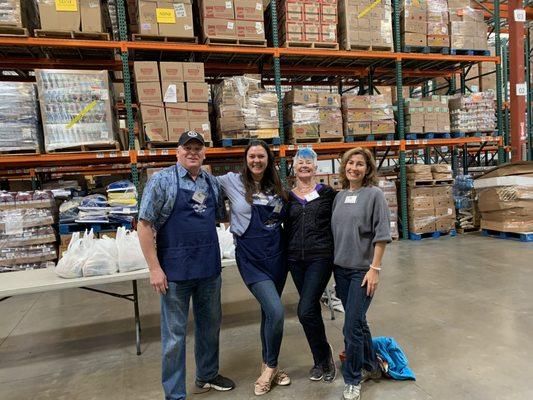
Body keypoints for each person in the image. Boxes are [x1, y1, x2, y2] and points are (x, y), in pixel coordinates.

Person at [137, 131, 235, 400]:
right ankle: (175, 394)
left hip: (208, 270)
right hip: (175, 273)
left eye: (197, 148)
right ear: (177, 152)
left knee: (210, 327)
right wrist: (154, 268)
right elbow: (144, 225)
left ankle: (207, 375)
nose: (192, 152)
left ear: (204, 153)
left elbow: (216, 220)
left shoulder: (211, 183)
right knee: (173, 338)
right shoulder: (162, 181)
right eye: (187, 148)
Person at [216, 140, 290, 396]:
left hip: (277, 258)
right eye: (252, 156)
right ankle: (271, 367)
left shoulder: (276, 186)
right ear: (245, 159)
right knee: (277, 312)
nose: (256, 161)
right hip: (251, 259)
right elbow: (201, 180)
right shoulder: (231, 181)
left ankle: (267, 366)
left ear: (268, 160)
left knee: (268, 314)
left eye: (261, 156)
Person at [331, 147, 391, 400]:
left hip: (362, 271)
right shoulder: (340, 196)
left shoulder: (374, 194)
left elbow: (382, 234)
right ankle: (371, 366)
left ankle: (353, 378)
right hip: (341, 270)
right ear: (344, 166)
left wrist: (374, 269)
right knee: (359, 322)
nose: (354, 167)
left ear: (368, 169)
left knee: (351, 326)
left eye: (360, 164)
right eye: (350, 163)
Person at [284, 148, 337, 383]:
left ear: (316, 167)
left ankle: (325, 353)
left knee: (304, 309)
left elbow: (341, 221)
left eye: (309, 162)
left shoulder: (328, 194)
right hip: (295, 259)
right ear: (294, 167)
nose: (304, 165)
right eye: (300, 162)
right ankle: (320, 361)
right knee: (311, 308)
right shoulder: (287, 197)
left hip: (320, 257)